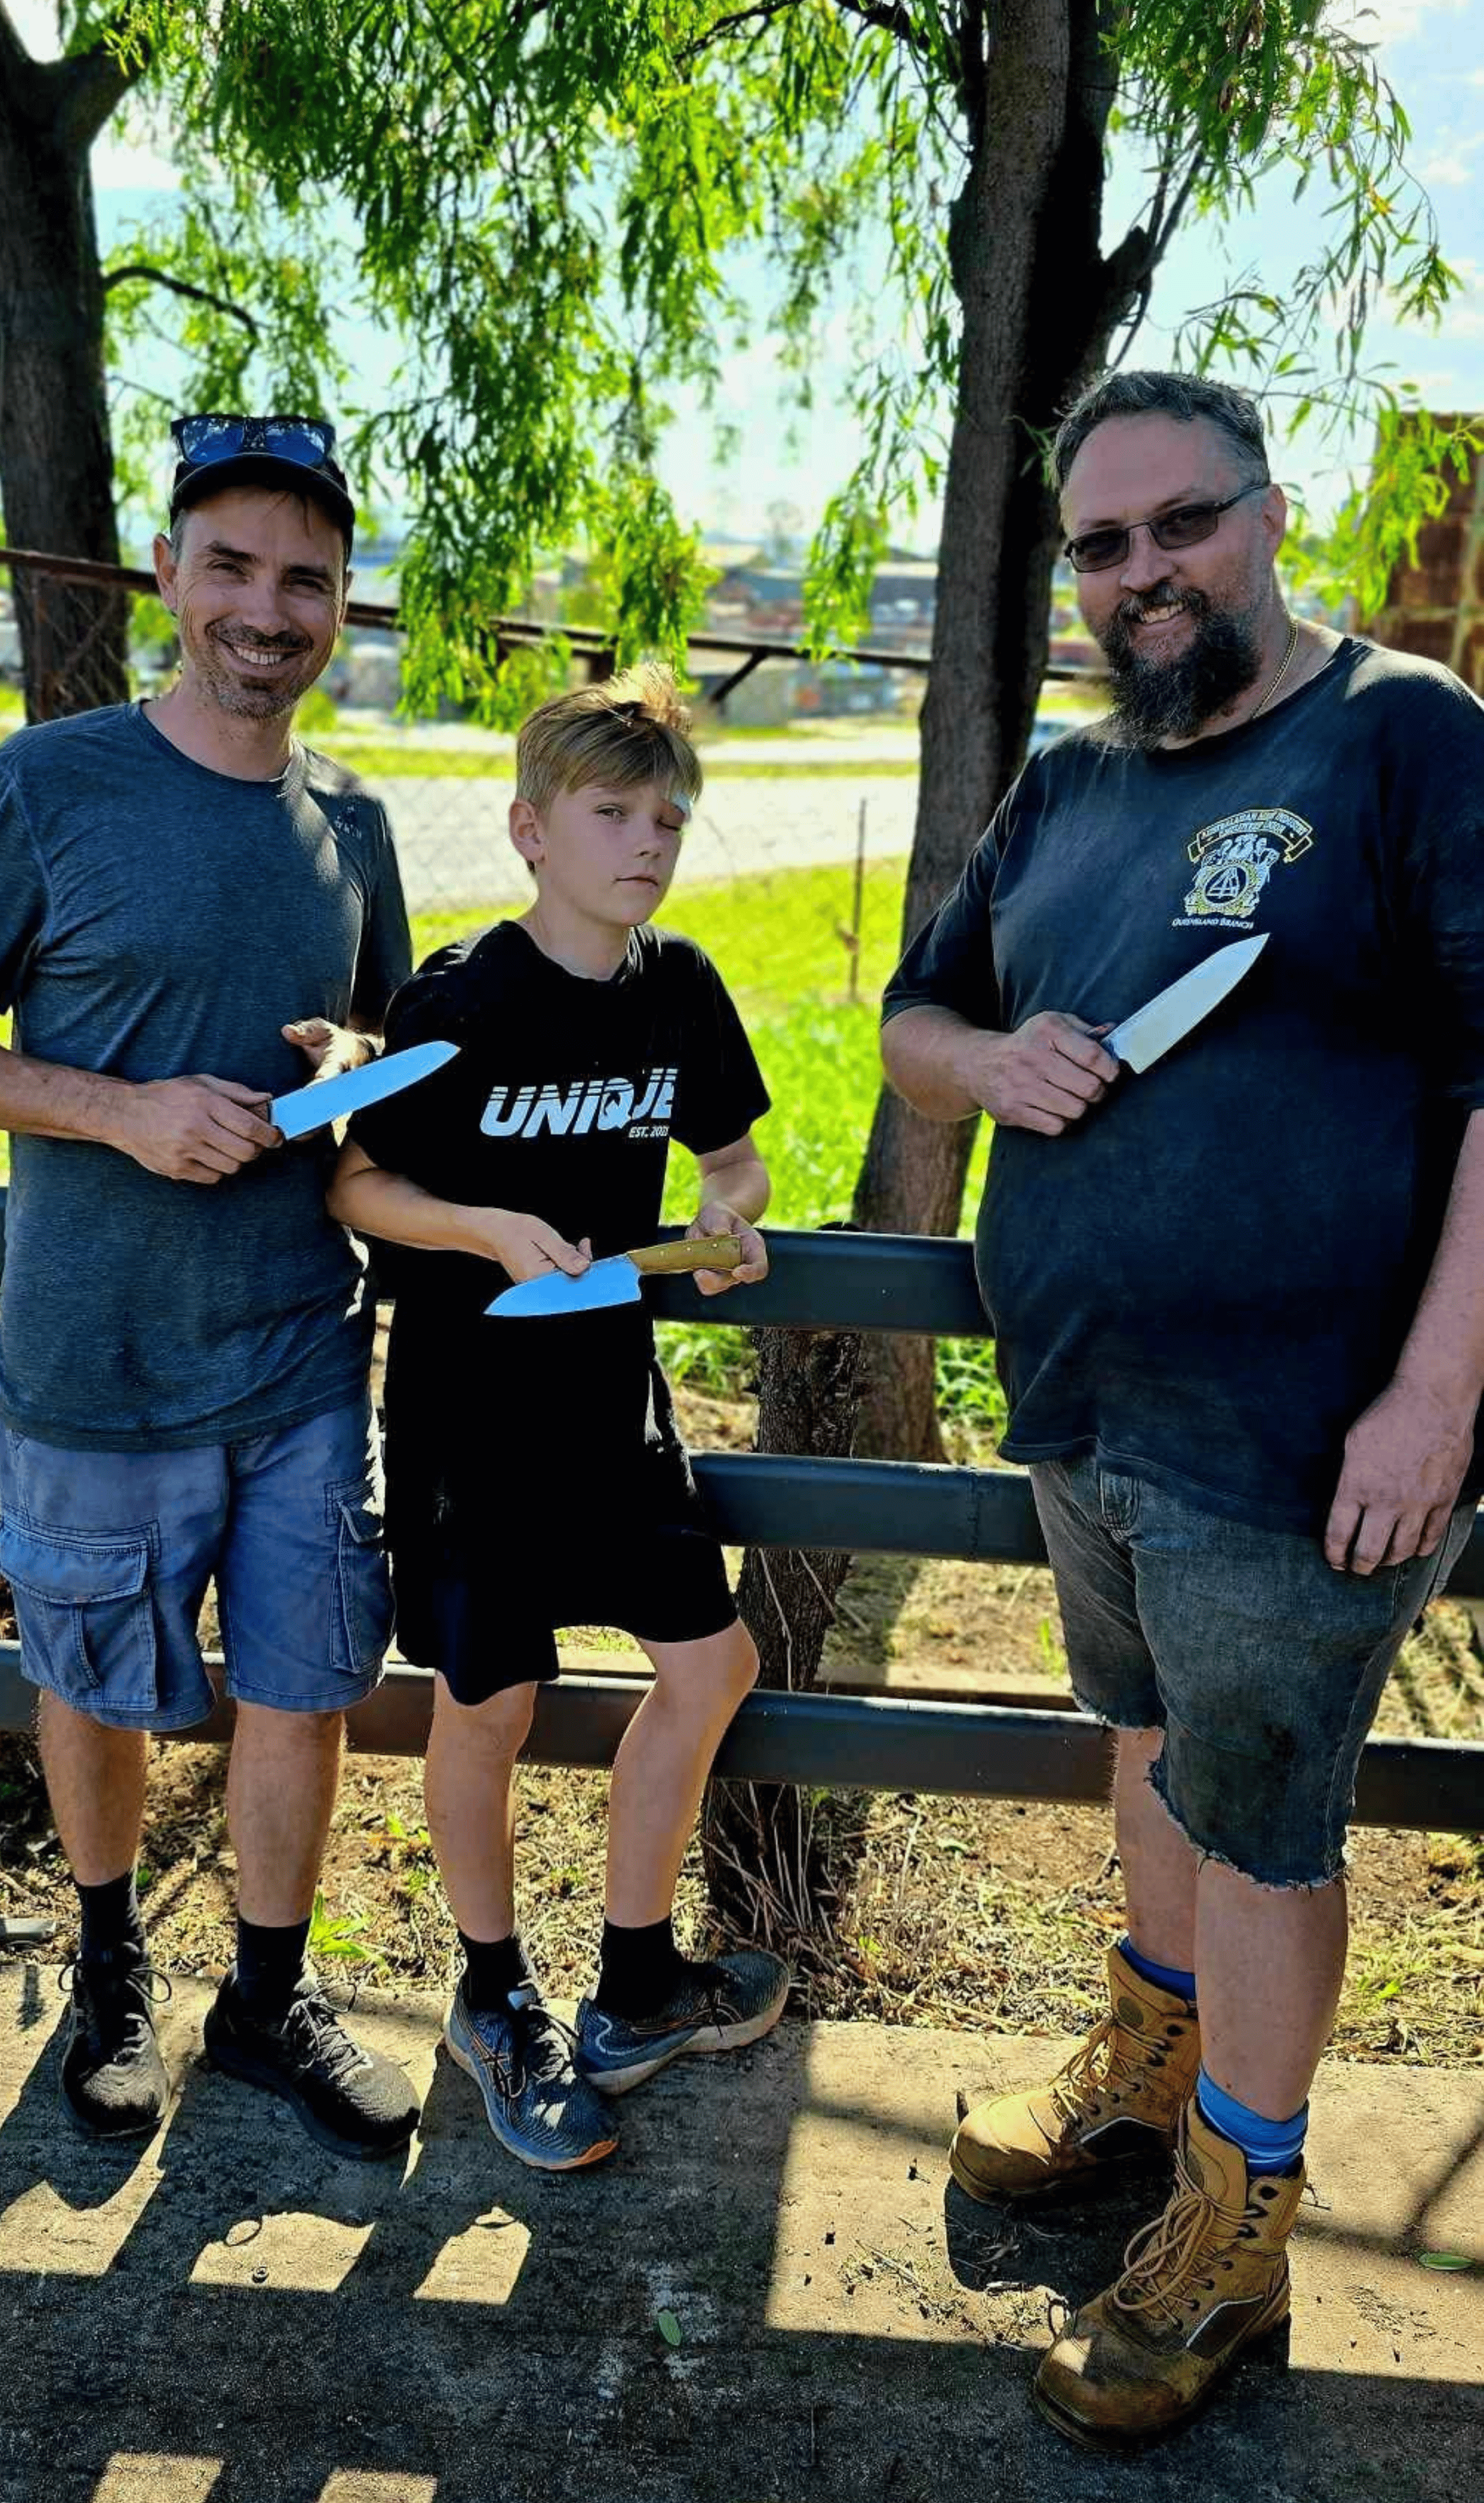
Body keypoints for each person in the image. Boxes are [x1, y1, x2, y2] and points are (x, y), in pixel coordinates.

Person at [879, 370, 1483, 2448]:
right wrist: (990, 1067)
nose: (1142, 573)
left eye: (1178, 524)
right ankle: (1144, 2074)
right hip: (1082, 1401)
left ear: (1266, 512)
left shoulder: (1402, 735)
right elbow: (909, 1018)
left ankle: (1237, 2210)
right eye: (1102, 544)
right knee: (1141, 1748)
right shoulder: (1064, 783)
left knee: (1256, 1821)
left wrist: (1436, 1386)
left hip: (1300, 1437)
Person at [0, 414, 422, 2162]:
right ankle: (108, 1972)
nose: (269, 605)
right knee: (94, 1679)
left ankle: (263, 1991)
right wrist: (120, 1106)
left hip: (302, 1354)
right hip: (94, 1360)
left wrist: (355, 1054)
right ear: (170, 574)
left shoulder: (353, 819)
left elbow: (374, 1040)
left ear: (337, 605)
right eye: (232, 565)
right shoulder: (50, 785)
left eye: (305, 577)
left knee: (306, 1678)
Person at [326, 661, 789, 2171]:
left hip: (615, 1411)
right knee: (493, 1704)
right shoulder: (456, 1002)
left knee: (708, 1664)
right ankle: (489, 1994)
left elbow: (732, 1159)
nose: (645, 841)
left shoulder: (684, 988)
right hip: (473, 1423)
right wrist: (487, 1231)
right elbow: (356, 1184)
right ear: (531, 829)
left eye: (665, 815)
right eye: (610, 812)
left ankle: (636, 1978)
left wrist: (728, 1216)